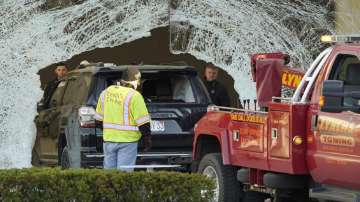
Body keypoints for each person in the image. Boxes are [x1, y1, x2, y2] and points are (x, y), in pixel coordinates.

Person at [94, 67, 151, 172]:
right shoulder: (135, 96)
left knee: (109, 175)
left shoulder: (106, 93)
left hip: (109, 141)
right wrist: (147, 140)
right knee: (124, 175)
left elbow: (98, 121)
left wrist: (109, 132)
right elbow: (143, 123)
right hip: (128, 142)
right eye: (139, 79)